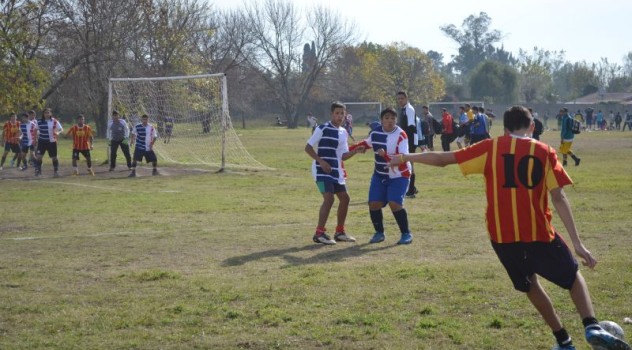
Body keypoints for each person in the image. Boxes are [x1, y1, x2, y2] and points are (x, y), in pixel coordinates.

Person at [387, 105, 632, 350]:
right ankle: (591, 325)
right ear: (532, 126)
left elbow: (442, 160)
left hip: (502, 237)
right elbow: (558, 197)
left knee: (530, 284)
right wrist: (578, 243)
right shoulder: (545, 152)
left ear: (504, 129)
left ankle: (564, 341)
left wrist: (407, 157)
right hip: (538, 233)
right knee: (573, 277)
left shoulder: (491, 147)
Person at [304, 101, 362, 245]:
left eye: (342, 113)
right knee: (329, 199)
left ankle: (340, 232)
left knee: (345, 199)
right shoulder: (322, 128)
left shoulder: (343, 132)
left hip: (336, 172)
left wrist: (355, 151)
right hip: (320, 171)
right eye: (337, 113)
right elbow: (308, 148)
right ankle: (319, 233)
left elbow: (343, 156)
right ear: (331, 114)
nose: (340, 116)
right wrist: (321, 161)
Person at [364, 107, 413, 245]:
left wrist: (385, 155)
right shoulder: (375, 133)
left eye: (393, 118)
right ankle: (379, 233)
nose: (390, 121)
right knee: (373, 203)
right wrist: (356, 148)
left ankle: (406, 233)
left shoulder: (401, 134)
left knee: (394, 203)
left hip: (399, 175)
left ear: (396, 120)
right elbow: (367, 143)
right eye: (386, 118)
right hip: (379, 174)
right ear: (381, 120)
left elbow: (403, 157)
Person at [396, 91, 418, 198]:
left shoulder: (409, 109)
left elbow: (411, 127)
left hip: (409, 141)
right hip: (405, 141)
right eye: (398, 98)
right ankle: (412, 188)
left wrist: (408, 143)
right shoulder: (403, 110)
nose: (400, 100)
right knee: (406, 163)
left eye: (402, 98)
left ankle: (411, 191)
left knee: (410, 164)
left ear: (406, 99)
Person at [34, 108, 63, 177]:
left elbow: (61, 129)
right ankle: (38, 172)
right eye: (45, 113)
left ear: (50, 113)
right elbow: (35, 129)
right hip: (42, 141)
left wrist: (58, 133)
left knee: (54, 157)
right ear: (43, 114)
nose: (46, 114)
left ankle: (56, 172)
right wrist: (35, 139)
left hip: (52, 142)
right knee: (39, 157)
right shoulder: (39, 121)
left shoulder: (54, 121)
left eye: (48, 112)